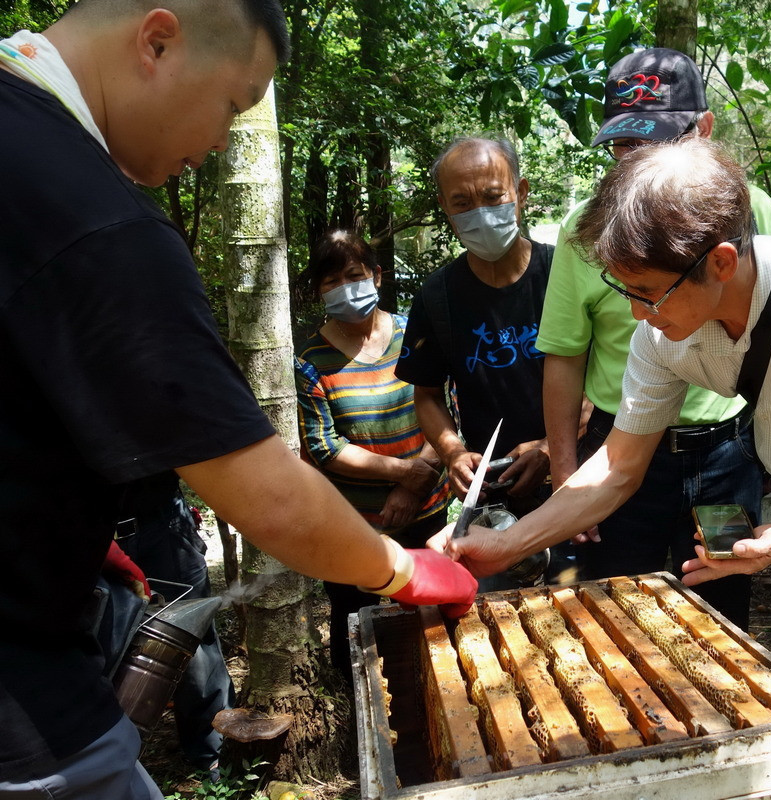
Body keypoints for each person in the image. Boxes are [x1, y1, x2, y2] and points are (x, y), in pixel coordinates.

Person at [0, 3, 475, 798]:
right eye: (234, 103)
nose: (223, 139)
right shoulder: (98, 217)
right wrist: (403, 569)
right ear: (157, 40)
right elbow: (268, 497)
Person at [438, 138, 771, 800]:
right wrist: (504, 543)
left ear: (721, 262)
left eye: (647, 292)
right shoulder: (664, 335)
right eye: (624, 291)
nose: (635, 313)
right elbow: (619, 468)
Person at [536, 47, 771, 629]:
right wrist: (567, 475)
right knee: (612, 607)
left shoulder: (752, 212)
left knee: (721, 602)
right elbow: (565, 356)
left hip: (725, 453)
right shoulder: (585, 226)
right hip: (620, 450)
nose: (635, 160)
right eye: (624, 145)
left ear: (704, 130)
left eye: (655, 143)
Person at [397, 135, 576, 588]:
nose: (480, 212)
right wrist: (452, 451)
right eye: (462, 202)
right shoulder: (437, 297)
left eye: (493, 196)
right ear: (445, 207)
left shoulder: (566, 276)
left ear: (521, 192)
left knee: (579, 603)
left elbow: (606, 379)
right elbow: (427, 393)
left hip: (573, 482)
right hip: (492, 497)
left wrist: (551, 447)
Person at [295, 229, 452, 684]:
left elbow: (447, 408)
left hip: (428, 508)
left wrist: (413, 485)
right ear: (318, 291)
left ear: (376, 276)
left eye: (354, 274)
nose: (344, 288)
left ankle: (442, 693)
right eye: (330, 282)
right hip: (352, 523)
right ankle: (365, 723)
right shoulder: (310, 359)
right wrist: (404, 473)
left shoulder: (414, 334)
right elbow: (324, 446)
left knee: (433, 611)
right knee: (354, 622)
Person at [112, 477, 235, 777]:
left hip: (162, 520)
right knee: (102, 642)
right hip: (78, 527)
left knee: (194, 641)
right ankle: (112, 759)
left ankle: (213, 750)